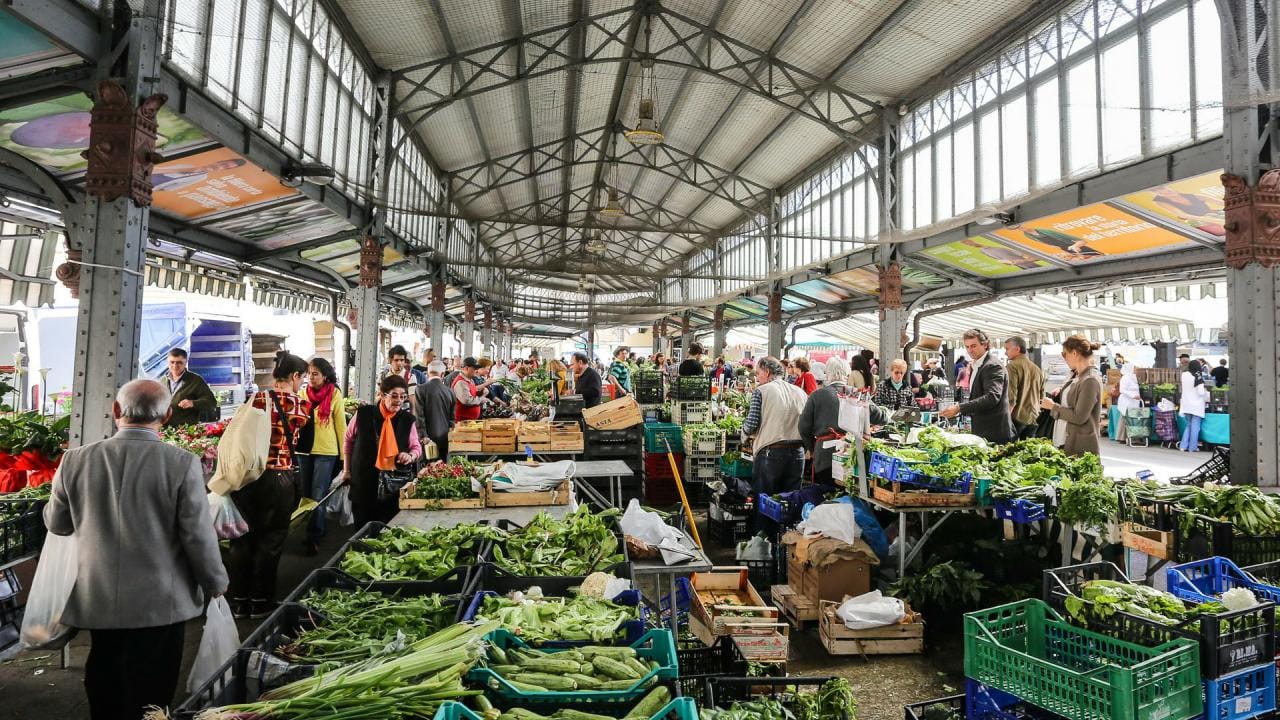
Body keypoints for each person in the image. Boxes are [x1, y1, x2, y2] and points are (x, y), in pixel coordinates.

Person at [43, 379, 228, 720]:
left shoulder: (74, 461)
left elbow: (57, 524)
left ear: (116, 411)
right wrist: (215, 582)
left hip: (97, 597)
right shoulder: (181, 463)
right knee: (151, 690)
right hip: (160, 601)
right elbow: (197, 536)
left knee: (104, 676)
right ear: (168, 415)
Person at [228, 351, 311, 619]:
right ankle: (261, 602)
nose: (303, 384)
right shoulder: (298, 404)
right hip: (279, 479)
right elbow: (302, 435)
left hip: (248, 479)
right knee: (271, 540)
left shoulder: (254, 399)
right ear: (295, 376)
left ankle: (239, 600)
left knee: (243, 539)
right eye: (303, 379)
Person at [341, 375, 423, 525]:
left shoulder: (407, 420)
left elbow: (416, 447)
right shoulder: (363, 414)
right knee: (362, 525)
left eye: (403, 396)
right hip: (364, 480)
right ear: (382, 395)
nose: (399, 400)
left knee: (386, 527)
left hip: (394, 484)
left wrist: (410, 456)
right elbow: (348, 440)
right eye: (394, 395)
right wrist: (346, 470)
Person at [799, 357, 889, 486]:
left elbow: (803, 427)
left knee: (826, 494)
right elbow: (881, 417)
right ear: (847, 374)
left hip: (824, 456)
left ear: (827, 374)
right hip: (851, 455)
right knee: (849, 494)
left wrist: (813, 447)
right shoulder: (856, 393)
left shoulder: (817, 395)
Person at [298, 358, 347, 556]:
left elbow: (341, 426)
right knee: (305, 494)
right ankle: (314, 528)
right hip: (304, 451)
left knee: (318, 495)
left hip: (326, 451)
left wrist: (345, 457)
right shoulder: (302, 393)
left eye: (315, 373)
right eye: (309, 373)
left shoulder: (335, 394)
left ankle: (314, 536)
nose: (311, 377)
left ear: (325, 375)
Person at [742, 356, 808, 502]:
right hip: (797, 453)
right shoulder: (800, 392)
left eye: (758, 373)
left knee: (765, 501)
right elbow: (807, 424)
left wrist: (744, 432)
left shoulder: (762, 391)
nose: (757, 378)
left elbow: (751, 424)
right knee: (789, 503)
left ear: (766, 372)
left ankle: (762, 526)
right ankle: (787, 526)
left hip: (771, 453)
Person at [939, 329, 1015, 444]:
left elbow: (992, 397)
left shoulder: (992, 366)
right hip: (984, 428)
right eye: (967, 347)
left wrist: (959, 408)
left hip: (994, 431)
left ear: (985, 345)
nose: (970, 350)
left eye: (973, 346)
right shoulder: (978, 365)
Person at [1040, 336, 1103, 457]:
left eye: (1064, 354)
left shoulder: (1090, 380)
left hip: (1078, 446)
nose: (1063, 358)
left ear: (1074, 353)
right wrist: (1062, 392)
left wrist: (1053, 407)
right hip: (1063, 441)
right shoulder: (1074, 375)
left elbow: (1079, 417)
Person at [161, 347, 218, 427]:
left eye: (179, 362)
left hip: (185, 431)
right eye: (172, 362)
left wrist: (193, 403)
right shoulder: (162, 381)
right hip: (164, 429)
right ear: (167, 362)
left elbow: (211, 402)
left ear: (186, 362)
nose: (175, 366)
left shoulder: (195, 380)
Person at [1004, 336, 1045, 440]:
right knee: (1027, 452)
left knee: (1008, 451)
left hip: (1017, 417)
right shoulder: (1037, 369)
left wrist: (1005, 419)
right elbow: (1042, 396)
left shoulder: (1012, 366)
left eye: (1007, 349)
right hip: (1033, 417)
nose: (1005, 353)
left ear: (1017, 349)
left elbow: (1011, 397)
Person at [415, 361, 454, 459]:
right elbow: (452, 418)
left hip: (427, 440)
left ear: (428, 373)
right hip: (445, 438)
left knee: (425, 470)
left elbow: (419, 415)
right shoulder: (450, 392)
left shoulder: (420, 389)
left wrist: (423, 435)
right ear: (442, 374)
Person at [1179, 359, 1210, 452]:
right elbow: (1200, 392)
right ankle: (1192, 447)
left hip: (1186, 404)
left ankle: (1183, 446)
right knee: (1195, 427)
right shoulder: (1198, 376)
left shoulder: (1184, 375)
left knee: (1188, 425)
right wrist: (1206, 392)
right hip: (1196, 405)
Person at [383, 345, 426, 410]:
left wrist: (412, 419)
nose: (399, 363)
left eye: (402, 360)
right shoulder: (384, 376)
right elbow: (378, 397)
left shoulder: (410, 377)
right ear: (390, 361)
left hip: (402, 415)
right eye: (396, 360)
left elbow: (413, 403)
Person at [452, 357, 493, 421]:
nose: (476, 370)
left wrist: (481, 391)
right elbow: (468, 401)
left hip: (469, 419)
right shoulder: (461, 382)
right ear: (466, 368)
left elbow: (471, 391)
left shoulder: (470, 379)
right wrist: (482, 398)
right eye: (474, 368)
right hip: (462, 420)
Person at [1115, 362, 1142, 443]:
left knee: (1130, 419)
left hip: (1133, 402)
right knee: (1125, 419)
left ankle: (1129, 437)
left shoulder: (1133, 378)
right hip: (1126, 402)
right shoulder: (1125, 378)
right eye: (1134, 368)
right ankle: (1122, 438)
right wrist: (1132, 395)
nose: (1136, 370)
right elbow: (1122, 390)